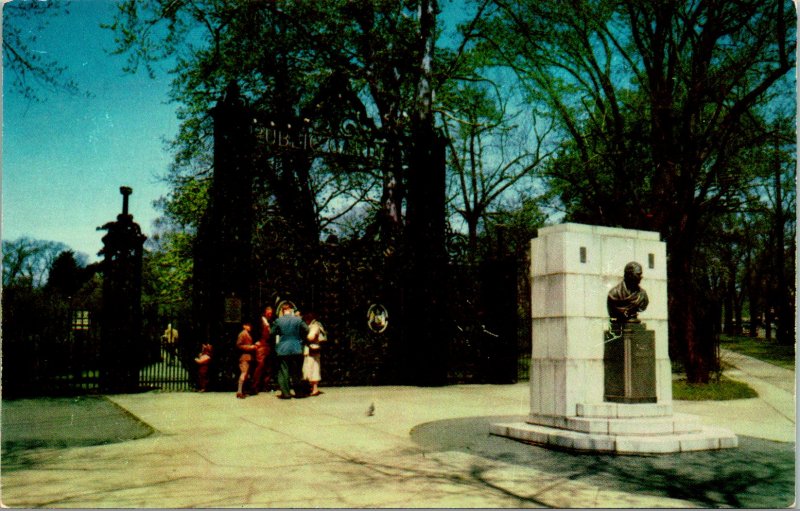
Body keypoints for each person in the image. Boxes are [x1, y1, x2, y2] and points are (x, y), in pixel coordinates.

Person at [272, 302, 309, 399]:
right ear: (291, 310)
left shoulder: (278, 321)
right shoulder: (298, 320)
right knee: (296, 371)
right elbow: (307, 329)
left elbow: (271, 332)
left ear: (282, 311)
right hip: (296, 347)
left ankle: (286, 393)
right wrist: (300, 340)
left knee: (284, 371)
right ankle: (299, 393)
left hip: (283, 349)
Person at [251, 306, 275, 394]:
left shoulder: (271, 321)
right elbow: (254, 331)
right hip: (261, 344)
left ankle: (265, 385)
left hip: (269, 345)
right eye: (268, 312)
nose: (270, 314)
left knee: (268, 367)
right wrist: (256, 341)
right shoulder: (259, 321)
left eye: (271, 312)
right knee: (260, 366)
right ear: (264, 312)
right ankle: (255, 386)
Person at [303, 312, 326, 396]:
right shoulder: (317, 324)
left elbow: (311, 337)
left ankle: (314, 389)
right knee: (314, 368)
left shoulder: (314, 326)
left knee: (311, 368)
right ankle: (313, 388)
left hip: (311, 349)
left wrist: (304, 336)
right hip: (315, 349)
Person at [235, 322, 256, 399]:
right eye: (248, 325)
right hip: (244, 356)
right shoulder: (242, 334)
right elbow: (238, 345)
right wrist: (250, 347)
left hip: (248, 356)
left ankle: (242, 390)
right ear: (244, 326)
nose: (250, 327)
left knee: (246, 374)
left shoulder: (247, 334)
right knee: (243, 373)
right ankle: (239, 391)